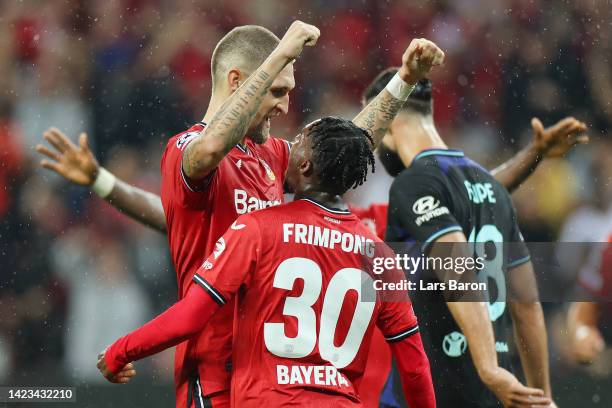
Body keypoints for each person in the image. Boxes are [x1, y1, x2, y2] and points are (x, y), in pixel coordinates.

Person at [37, 22, 445, 407]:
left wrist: (403, 81)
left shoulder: (269, 156)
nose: (286, 107)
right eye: (277, 91)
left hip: (270, 371)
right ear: (239, 82)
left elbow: (340, 151)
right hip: (213, 371)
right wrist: (281, 51)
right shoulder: (186, 149)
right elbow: (209, 153)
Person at [97, 116, 436, 408]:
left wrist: (120, 352)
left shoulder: (258, 229)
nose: (288, 145)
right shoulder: (381, 256)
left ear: (305, 165)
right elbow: (415, 366)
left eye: (299, 140)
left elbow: (190, 316)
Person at [366, 71, 578, 408]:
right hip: (489, 397)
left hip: (432, 391)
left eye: (374, 133)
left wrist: (489, 367)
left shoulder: (411, 185)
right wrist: (542, 396)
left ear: (389, 125)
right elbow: (525, 302)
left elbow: (457, 264)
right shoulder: (489, 188)